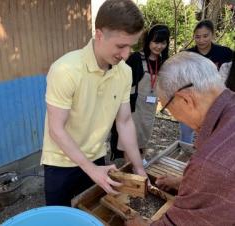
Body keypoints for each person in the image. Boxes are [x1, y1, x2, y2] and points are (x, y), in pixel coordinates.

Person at [41, 0, 147, 206]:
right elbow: (56, 129)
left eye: (131, 46)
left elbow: (124, 122)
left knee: (92, 212)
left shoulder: (124, 72)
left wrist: (139, 167)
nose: (126, 55)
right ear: (99, 35)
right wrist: (90, 169)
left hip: (97, 157)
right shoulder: (65, 70)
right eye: (120, 46)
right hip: (60, 161)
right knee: (60, 218)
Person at [126, 51, 235, 226]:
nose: (174, 117)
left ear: (185, 100)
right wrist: (185, 183)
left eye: (167, 109)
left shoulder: (209, 164)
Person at [110, 25, 170, 160]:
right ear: (148, 41)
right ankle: (130, 167)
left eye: (163, 42)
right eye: (155, 42)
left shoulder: (163, 63)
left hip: (150, 108)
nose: (159, 46)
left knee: (144, 137)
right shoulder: (136, 58)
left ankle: (139, 163)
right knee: (129, 139)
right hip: (133, 108)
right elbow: (120, 80)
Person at [180, 19, 233, 144]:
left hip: (214, 103)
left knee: (210, 137)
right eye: (197, 37)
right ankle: (184, 158)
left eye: (205, 36)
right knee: (186, 134)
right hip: (190, 102)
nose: (201, 40)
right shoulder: (187, 54)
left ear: (212, 35)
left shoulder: (224, 53)